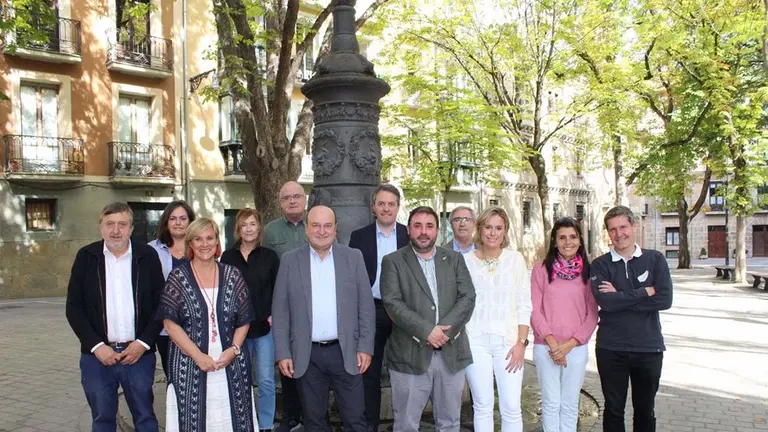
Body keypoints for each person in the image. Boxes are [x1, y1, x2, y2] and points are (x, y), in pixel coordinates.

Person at [272, 205, 375, 432]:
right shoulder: (290, 261)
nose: (322, 231)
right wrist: (283, 353)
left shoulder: (353, 258)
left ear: (335, 229)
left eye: (327, 225)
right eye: (316, 226)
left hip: (346, 352)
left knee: (356, 419)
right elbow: (280, 312)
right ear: (306, 229)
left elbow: (366, 308)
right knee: (314, 422)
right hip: (307, 356)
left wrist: (365, 347)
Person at [65, 202, 164, 432]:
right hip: (97, 357)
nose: (116, 230)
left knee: (145, 418)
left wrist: (143, 343)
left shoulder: (146, 256)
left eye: (122, 224)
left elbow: (161, 304)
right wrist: (96, 346)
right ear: (101, 227)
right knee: (102, 420)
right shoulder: (86, 257)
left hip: (138, 355)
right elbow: (74, 307)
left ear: (131, 228)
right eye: (110, 224)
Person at [380, 206, 476, 432]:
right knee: (406, 424)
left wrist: (444, 333)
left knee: (450, 423)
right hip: (409, 356)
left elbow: (468, 297)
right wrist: (426, 331)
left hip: (451, 354)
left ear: (438, 230)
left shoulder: (454, 259)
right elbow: (392, 303)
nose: (423, 231)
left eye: (429, 226)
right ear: (408, 230)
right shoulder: (392, 261)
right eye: (417, 226)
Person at [158, 218, 259, 432]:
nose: (205, 244)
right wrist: (197, 356)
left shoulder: (233, 275)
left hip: (230, 363)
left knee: (233, 419)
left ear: (217, 243)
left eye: (210, 238)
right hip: (189, 364)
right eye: (198, 239)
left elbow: (244, 319)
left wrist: (234, 349)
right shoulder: (178, 277)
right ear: (190, 244)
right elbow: (170, 323)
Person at [590, 206, 673, 432]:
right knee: (614, 409)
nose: (619, 234)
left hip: (648, 348)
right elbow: (606, 303)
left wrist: (619, 296)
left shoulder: (655, 260)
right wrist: (644, 291)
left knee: (645, 410)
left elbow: (665, 299)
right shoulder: (600, 265)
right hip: (611, 348)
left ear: (633, 226)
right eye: (613, 229)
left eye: (623, 227)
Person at [461, 207, 531, 432]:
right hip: (475, 343)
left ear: (505, 231)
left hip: (509, 343)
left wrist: (522, 342)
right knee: (482, 406)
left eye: (498, 228)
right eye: (488, 227)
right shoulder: (465, 261)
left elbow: (524, 303)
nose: (493, 233)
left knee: (511, 406)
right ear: (479, 229)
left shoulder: (515, 260)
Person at [348, 184, 409, 432]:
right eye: (381, 203)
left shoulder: (408, 235)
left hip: (403, 315)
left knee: (405, 372)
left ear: (397, 207)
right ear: (373, 207)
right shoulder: (358, 236)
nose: (386, 208)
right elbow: (352, 279)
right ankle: (370, 426)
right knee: (369, 374)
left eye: (391, 204)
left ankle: (404, 425)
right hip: (371, 312)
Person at [531, 217, 598, 432]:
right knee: (551, 403)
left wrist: (569, 344)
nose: (567, 242)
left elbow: (591, 314)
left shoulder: (589, 272)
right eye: (562, 237)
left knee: (570, 404)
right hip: (546, 347)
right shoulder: (540, 270)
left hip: (576, 348)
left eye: (572, 236)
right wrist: (552, 343)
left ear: (580, 240)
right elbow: (534, 310)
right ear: (554, 241)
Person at [220, 208, 280, 432]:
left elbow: (278, 289)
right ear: (238, 229)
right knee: (240, 379)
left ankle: (265, 425)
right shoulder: (227, 257)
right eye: (244, 224)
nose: (248, 229)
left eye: (252, 224)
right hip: (237, 330)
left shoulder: (270, 256)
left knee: (265, 381)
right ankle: (244, 422)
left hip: (264, 328)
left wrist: (275, 313)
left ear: (259, 227)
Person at [263, 180, 307, 432]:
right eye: (286, 198)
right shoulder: (270, 231)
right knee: (288, 361)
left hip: (314, 306)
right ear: (280, 203)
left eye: (296, 196)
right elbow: (268, 272)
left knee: (312, 361)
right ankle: (291, 416)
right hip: (285, 307)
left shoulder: (316, 225)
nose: (292, 201)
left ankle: (312, 415)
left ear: (304, 199)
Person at [148, 200, 196, 378]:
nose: (178, 223)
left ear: (190, 221)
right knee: (174, 376)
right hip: (165, 327)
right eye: (173, 218)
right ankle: (175, 406)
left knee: (195, 374)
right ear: (166, 223)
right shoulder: (152, 249)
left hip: (195, 324)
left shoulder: (201, 247)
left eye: (183, 218)